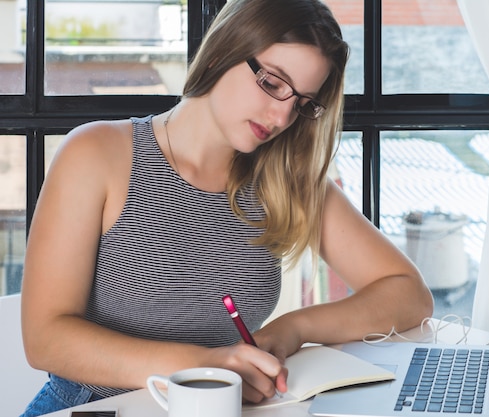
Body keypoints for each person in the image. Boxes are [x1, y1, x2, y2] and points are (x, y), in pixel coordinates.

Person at [19, 0, 434, 415]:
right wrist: (202, 364)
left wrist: (293, 328)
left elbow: (408, 293)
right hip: (95, 406)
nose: (281, 115)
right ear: (222, 51)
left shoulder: (286, 181)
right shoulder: (97, 153)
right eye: (273, 83)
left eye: (302, 103)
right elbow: (45, 339)